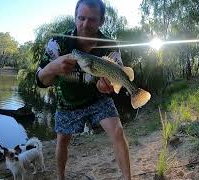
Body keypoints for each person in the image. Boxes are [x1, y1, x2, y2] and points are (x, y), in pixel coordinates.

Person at [35, 0, 131, 179]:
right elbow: (40, 81)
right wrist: (52, 67)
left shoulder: (110, 45)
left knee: (118, 131)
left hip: (98, 99)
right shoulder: (58, 42)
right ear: (75, 17)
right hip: (68, 101)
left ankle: (128, 178)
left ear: (101, 21)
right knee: (62, 140)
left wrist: (107, 88)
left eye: (92, 20)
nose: (85, 24)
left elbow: (117, 80)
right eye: (81, 18)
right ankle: (61, 177)